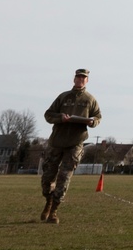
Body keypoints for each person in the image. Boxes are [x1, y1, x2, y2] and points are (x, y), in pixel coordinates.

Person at [39, 68, 101, 224]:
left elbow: (98, 116)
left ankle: (54, 211)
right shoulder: (63, 97)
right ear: (74, 79)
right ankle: (48, 200)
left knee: (64, 177)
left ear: (87, 81)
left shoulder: (90, 99)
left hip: (75, 143)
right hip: (56, 142)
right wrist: (60, 118)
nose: (81, 80)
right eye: (78, 77)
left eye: (84, 78)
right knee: (47, 179)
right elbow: (48, 115)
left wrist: (92, 121)